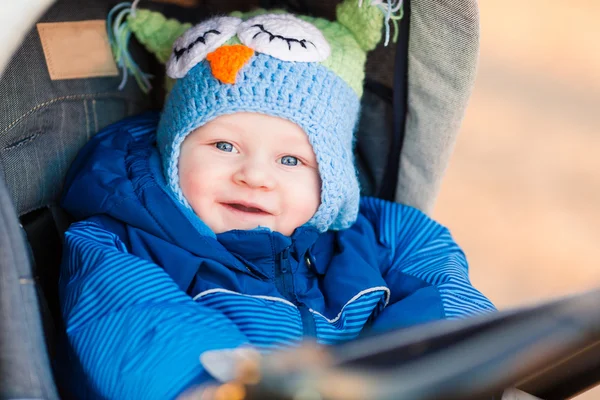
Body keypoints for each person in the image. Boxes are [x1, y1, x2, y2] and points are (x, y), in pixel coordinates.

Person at [58, 1, 495, 398]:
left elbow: (442, 284)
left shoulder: (374, 238)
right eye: (224, 146)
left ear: (332, 176)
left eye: (290, 159)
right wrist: (218, 387)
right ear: (171, 151)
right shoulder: (124, 243)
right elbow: (137, 325)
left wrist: (420, 368)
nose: (254, 176)